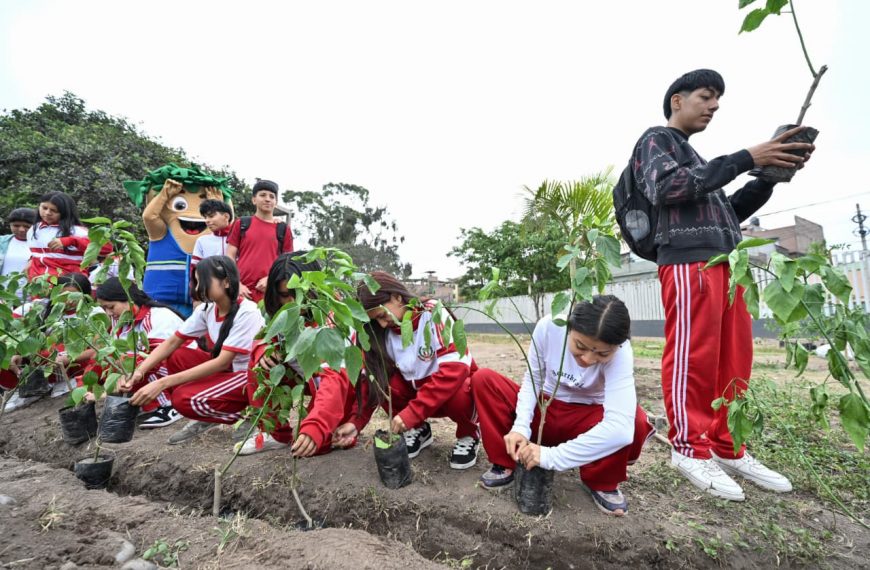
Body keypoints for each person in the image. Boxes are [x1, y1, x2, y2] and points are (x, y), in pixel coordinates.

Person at [632, 69, 813, 500]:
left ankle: (728, 445)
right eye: (706, 96)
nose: (714, 106)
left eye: (717, 100)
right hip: (687, 261)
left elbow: (729, 210)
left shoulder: (699, 161)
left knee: (735, 360)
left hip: (726, 261)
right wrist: (747, 156)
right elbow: (665, 187)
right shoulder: (657, 140)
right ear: (677, 100)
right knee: (694, 357)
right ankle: (688, 447)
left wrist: (766, 175)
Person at [472, 296, 654, 516]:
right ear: (569, 327)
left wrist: (552, 457)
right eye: (580, 346)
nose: (587, 359)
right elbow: (533, 379)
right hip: (545, 408)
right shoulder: (550, 327)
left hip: (586, 418)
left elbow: (620, 430)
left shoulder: (622, 351)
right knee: (484, 380)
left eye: (602, 353)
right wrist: (521, 426)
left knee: (634, 418)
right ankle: (506, 461)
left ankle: (602, 480)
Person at [234, 252, 370, 456]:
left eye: (297, 293)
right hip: (311, 378)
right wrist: (262, 349)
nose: (292, 300)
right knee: (259, 361)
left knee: (320, 442)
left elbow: (334, 380)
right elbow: (264, 337)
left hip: (343, 387)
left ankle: (340, 423)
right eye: (283, 294)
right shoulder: (283, 313)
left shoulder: (332, 319)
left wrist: (315, 426)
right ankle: (276, 434)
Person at [124, 257, 264, 441]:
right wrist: (139, 371)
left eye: (203, 281)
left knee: (182, 399)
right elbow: (173, 342)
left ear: (227, 282)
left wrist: (162, 383)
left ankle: (252, 415)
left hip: (249, 377)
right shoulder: (206, 309)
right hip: (228, 372)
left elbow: (222, 363)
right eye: (196, 282)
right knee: (177, 355)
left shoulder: (248, 312)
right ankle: (207, 413)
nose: (198, 288)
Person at [356, 271, 480, 470]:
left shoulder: (432, 314)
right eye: (375, 320)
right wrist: (355, 425)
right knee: (385, 382)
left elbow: (455, 369)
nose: (381, 323)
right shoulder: (385, 332)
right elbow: (372, 381)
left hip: (449, 396)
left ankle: (469, 433)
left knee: (459, 390)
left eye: (381, 315)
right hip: (420, 395)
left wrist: (411, 413)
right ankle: (419, 430)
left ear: (397, 297)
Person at [94, 278, 187, 428]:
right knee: (118, 363)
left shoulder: (159, 316)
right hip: (154, 368)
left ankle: (170, 405)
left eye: (111, 307)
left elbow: (156, 355)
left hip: (182, 365)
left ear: (128, 299)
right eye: (104, 308)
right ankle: (149, 405)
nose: (108, 313)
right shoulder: (121, 321)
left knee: (142, 363)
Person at [2, 273, 101, 410]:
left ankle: (52, 385)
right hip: (41, 360)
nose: (69, 300)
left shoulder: (93, 313)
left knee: (50, 351)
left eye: (74, 296)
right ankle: (23, 386)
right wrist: (16, 352)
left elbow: (97, 349)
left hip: (70, 362)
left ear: (85, 295)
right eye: (63, 295)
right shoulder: (41, 308)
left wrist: (68, 358)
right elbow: (15, 325)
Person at [225, 179, 293, 303]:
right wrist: (236, 284)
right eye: (262, 195)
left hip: (269, 294)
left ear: (276, 202)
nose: (267, 199)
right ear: (254, 199)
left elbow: (287, 263)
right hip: (241, 292)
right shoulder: (242, 223)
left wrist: (271, 279)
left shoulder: (283, 229)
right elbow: (229, 256)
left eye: (272, 197)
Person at [27, 192, 105, 279]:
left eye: (54, 210)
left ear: (65, 212)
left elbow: (106, 248)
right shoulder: (34, 229)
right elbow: (37, 256)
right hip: (39, 286)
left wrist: (72, 241)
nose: (47, 213)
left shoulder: (77, 231)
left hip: (69, 286)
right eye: (44, 208)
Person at [0, 208, 38, 299]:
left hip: (31, 300)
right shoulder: (2, 242)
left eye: (27, 226)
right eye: (16, 225)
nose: (21, 229)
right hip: (4, 298)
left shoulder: (43, 246)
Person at [192, 199, 233, 273]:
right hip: (209, 283)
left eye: (211, 216)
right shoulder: (201, 241)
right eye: (205, 217)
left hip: (239, 283)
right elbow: (194, 269)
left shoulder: (241, 238)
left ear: (226, 216)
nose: (207, 220)